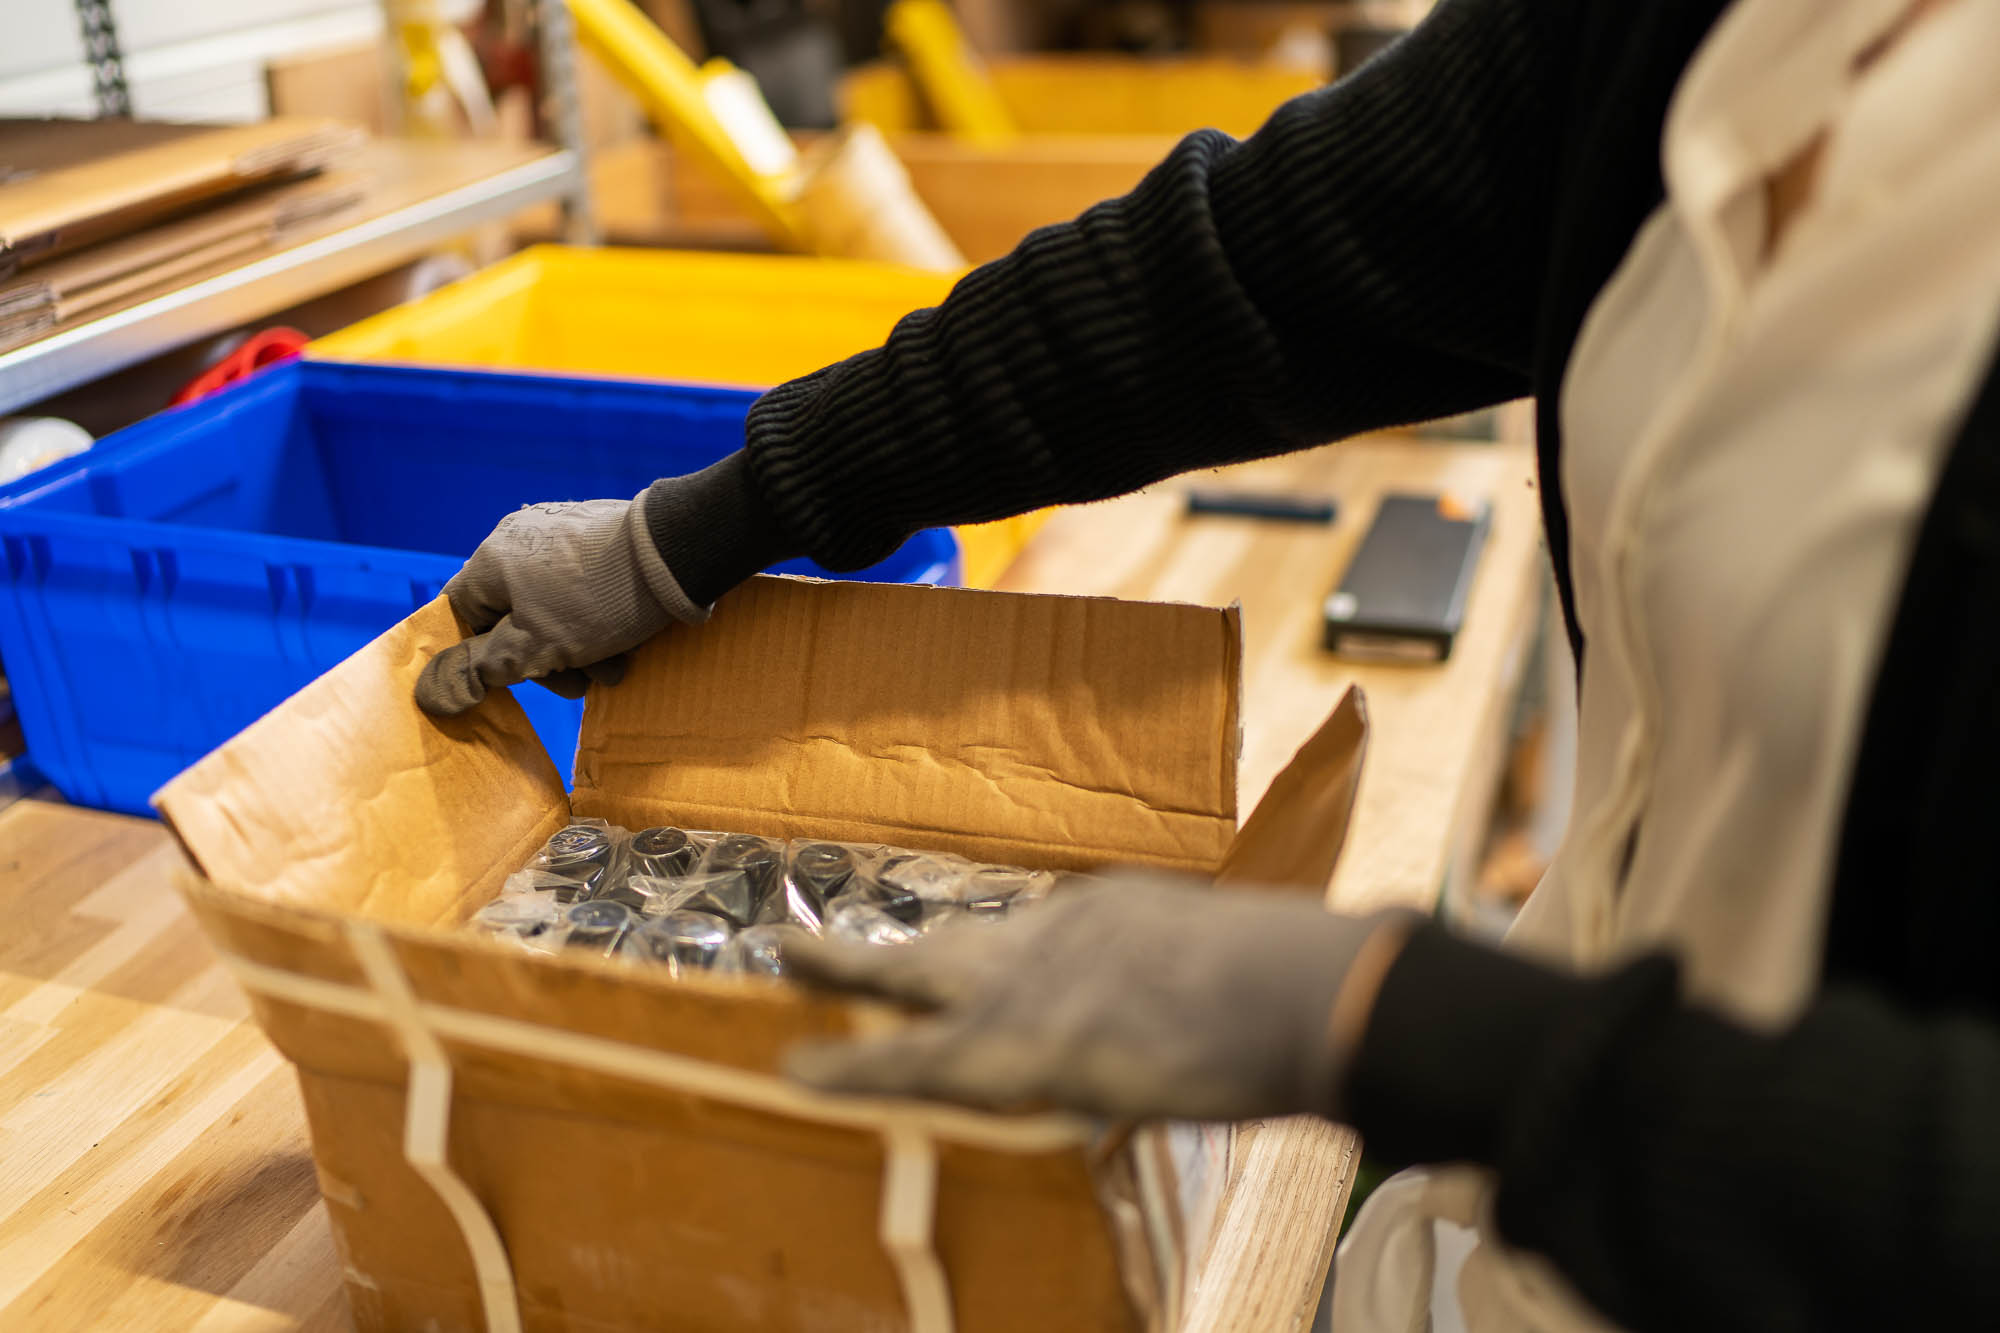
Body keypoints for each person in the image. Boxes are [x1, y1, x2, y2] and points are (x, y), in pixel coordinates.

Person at [414, 0, 2000, 1326]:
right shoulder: (1698, 27)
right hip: (1514, 1248)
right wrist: (696, 526)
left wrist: (1389, 1019)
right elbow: (1233, 273)